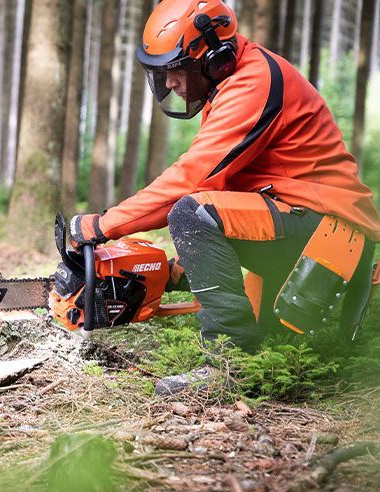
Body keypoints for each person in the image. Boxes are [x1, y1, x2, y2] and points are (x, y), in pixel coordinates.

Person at [70, 0, 380, 357]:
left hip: (331, 237)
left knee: (192, 212)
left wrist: (104, 225)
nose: (170, 83)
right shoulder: (230, 86)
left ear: (215, 57)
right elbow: (227, 185)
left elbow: (193, 182)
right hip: (307, 228)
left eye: (176, 70)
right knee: (274, 346)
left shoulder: (253, 83)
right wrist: (183, 264)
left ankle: (227, 358)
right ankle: (245, 351)